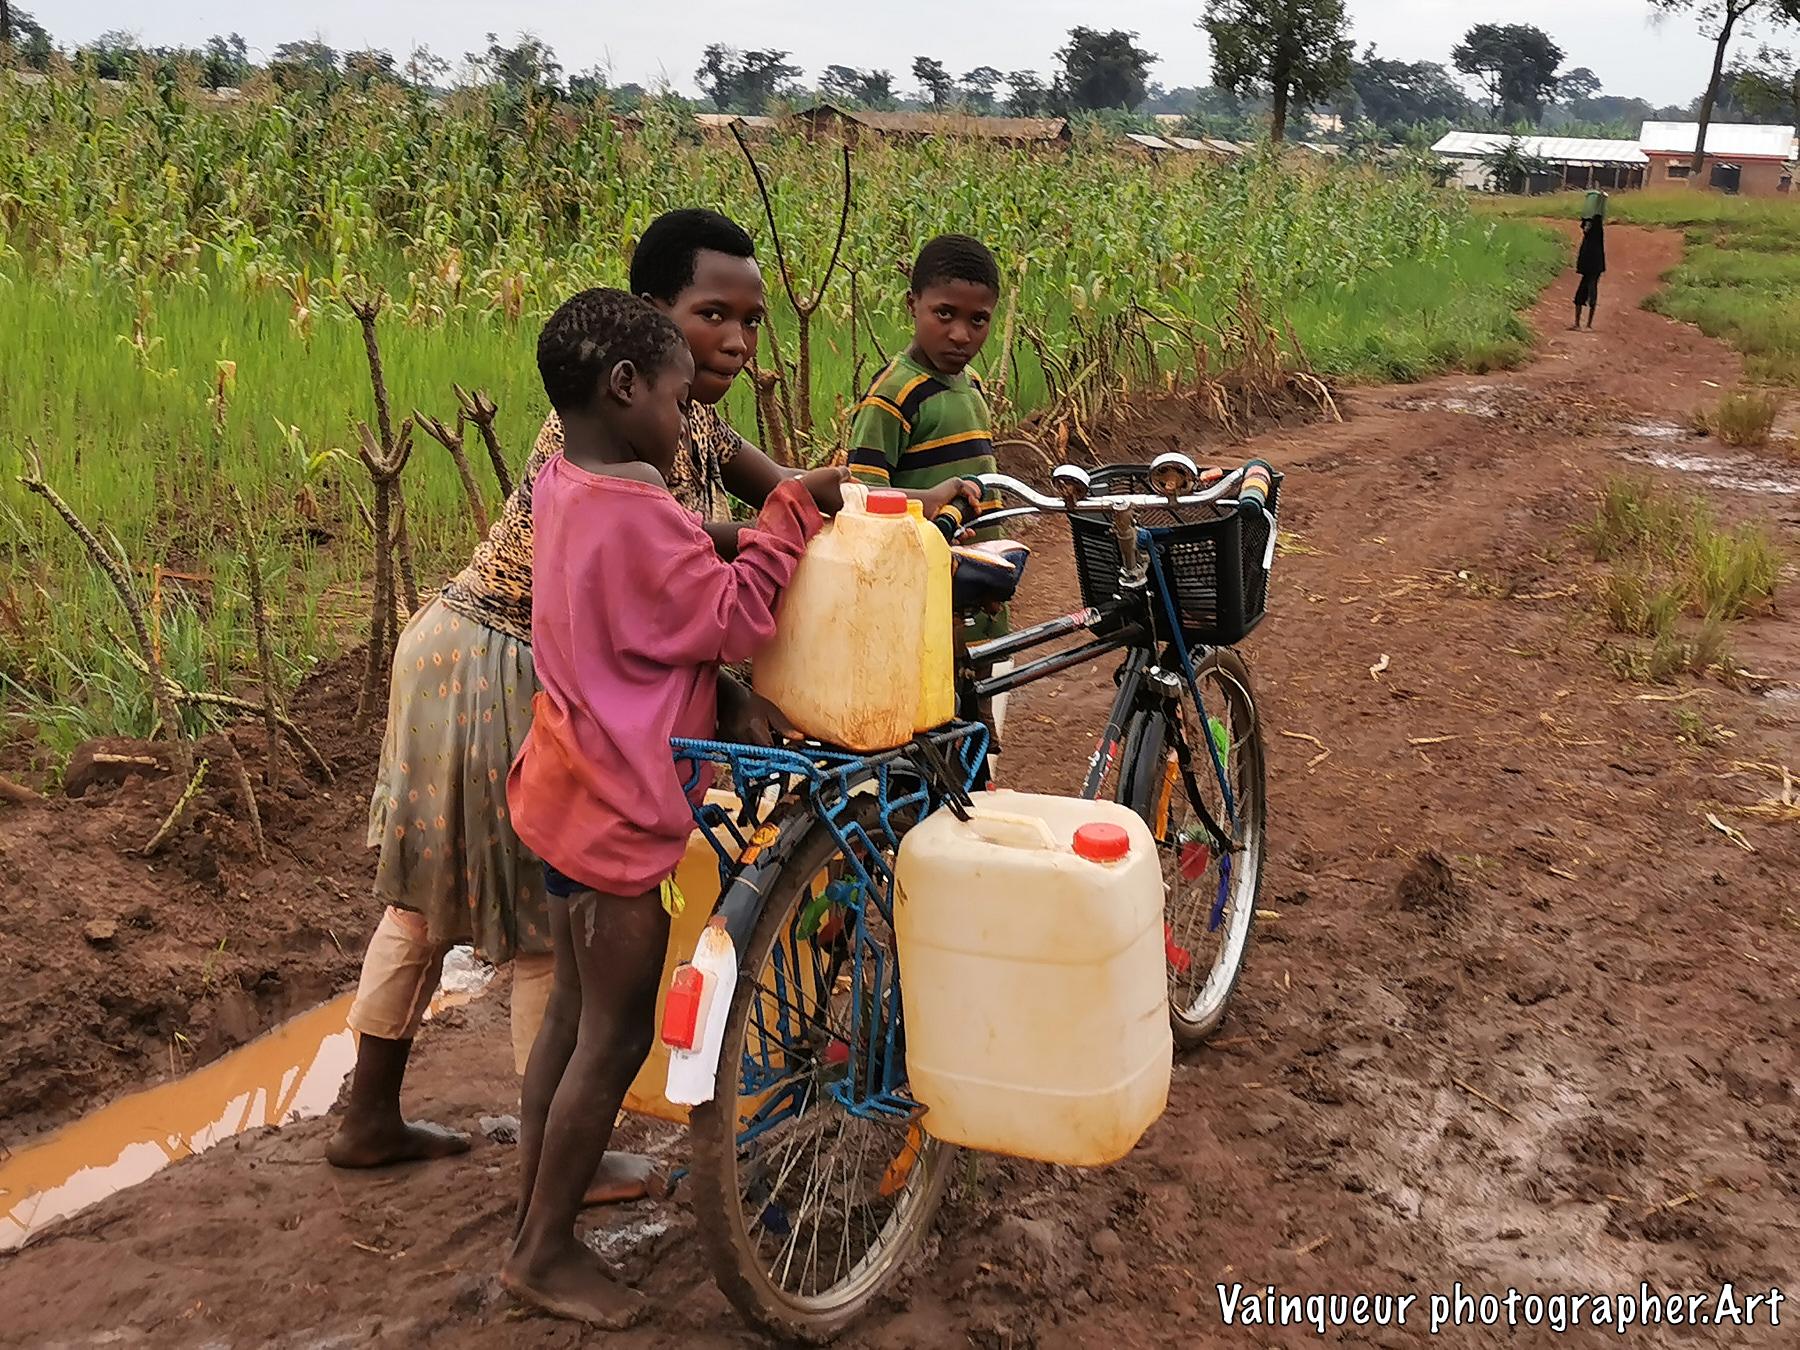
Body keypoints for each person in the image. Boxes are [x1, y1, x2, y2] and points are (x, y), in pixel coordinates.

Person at [325, 208, 969, 1190]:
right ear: (647, 323)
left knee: (437, 906)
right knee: (545, 937)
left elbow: (785, 492)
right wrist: (774, 568)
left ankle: (380, 1117)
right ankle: (557, 1168)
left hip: (504, 653)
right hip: (503, 657)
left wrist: (896, 506)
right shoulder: (608, 437)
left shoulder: (683, 416)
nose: (736, 342)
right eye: (712, 315)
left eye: (749, 323)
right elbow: (685, 566)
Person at [500, 289, 826, 1327]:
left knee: (570, 1016)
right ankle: (542, 1253)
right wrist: (787, 516)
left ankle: (540, 1198)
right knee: (614, 1033)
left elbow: (647, 598)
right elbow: (735, 617)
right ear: (625, 385)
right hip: (616, 812)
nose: (689, 421)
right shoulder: (637, 509)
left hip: (562, 784)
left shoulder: (567, 480)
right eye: (681, 400)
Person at [847, 233, 1007, 773]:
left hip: (975, 592)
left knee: (976, 742)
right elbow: (858, 497)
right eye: (944, 314)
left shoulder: (971, 384)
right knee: (928, 749)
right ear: (912, 304)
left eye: (978, 320)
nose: (961, 334)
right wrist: (928, 500)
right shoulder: (893, 395)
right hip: (920, 605)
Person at [1573, 213, 1605, 331]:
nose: (1586, 228)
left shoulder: (1596, 232)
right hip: (1587, 269)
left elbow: (1597, 216)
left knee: (1592, 293)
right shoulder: (1587, 239)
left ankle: (1589, 325)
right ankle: (1578, 324)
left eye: (1588, 225)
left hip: (1594, 268)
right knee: (1580, 295)